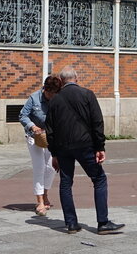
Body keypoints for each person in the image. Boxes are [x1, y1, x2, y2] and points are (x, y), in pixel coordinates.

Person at [44, 67, 124, 235]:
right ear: (76, 78)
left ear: (61, 80)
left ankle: (71, 223)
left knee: (66, 182)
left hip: (63, 147)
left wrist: (54, 153)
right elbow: (97, 122)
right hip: (84, 144)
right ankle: (103, 222)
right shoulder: (87, 94)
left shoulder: (54, 101)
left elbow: (49, 130)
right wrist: (100, 147)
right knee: (99, 178)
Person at [19, 74, 62, 215]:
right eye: (50, 93)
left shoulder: (59, 98)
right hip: (34, 137)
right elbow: (23, 115)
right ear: (45, 89)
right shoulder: (34, 98)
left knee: (51, 167)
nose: (51, 97)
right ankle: (40, 202)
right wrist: (32, 126)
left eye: (54, 94)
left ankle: (45, 193)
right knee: (39, 167)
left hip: (51, 137)